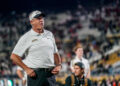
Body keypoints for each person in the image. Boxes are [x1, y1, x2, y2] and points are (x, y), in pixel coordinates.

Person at [10, 10, 62, 86]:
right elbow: (14, 56)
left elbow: (55, 52)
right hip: (36, 75)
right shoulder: (26, 37)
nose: (41, 21)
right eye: (38, 19)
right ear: (31, 22)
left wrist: (58, 65)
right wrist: (27, 69)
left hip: (50, 75)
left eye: (42, 18)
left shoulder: (49, 34)